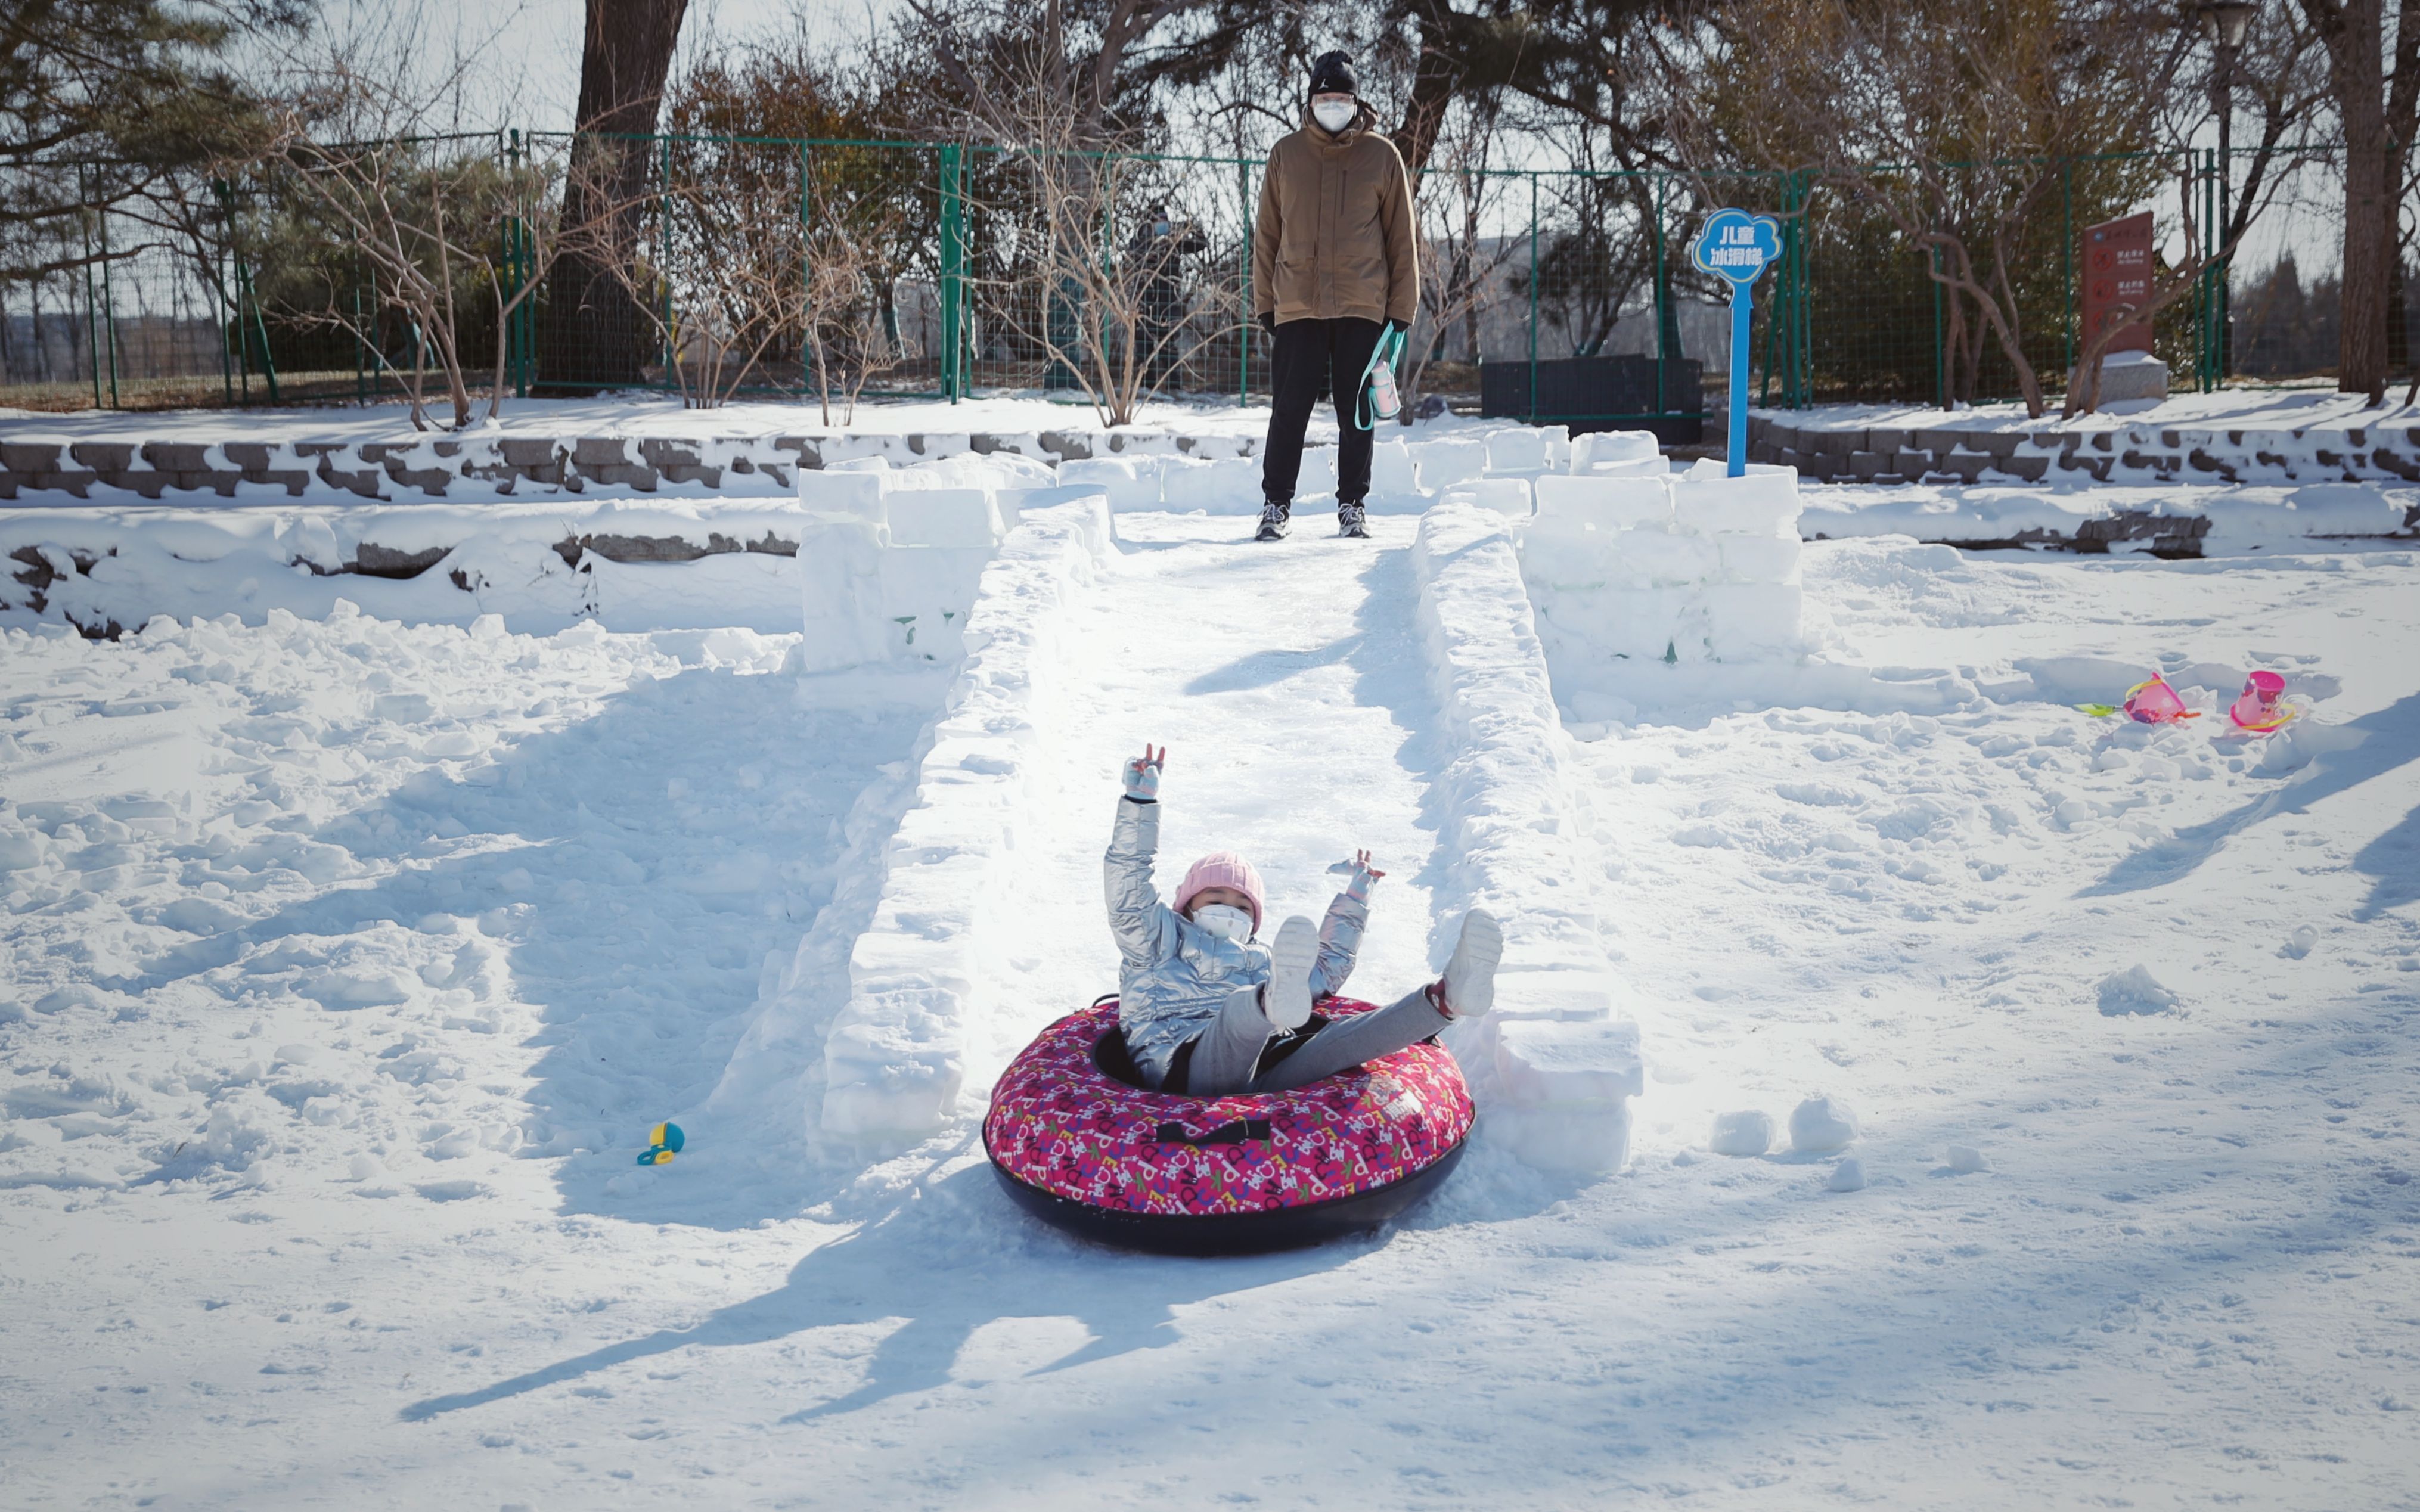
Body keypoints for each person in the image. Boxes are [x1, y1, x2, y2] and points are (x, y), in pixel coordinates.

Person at [1104, 744, 1501, 1096]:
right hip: (1185, 1069)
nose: (1230, 909)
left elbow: (1326, 967)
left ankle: (1447, 997)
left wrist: (1355, 900)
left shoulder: (1260, 960)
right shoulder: (1157, 939)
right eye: (1216, 897)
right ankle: (1267, 1006)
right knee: (1239, 1014)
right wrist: (1139, 805)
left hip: (1267, 1069)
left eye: (1243, 906)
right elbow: (1128, 886)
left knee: (1341, 1041)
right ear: (1188, 904)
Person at [1251, 49, 1420, 543]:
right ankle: (1275, 505)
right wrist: (1267, 303)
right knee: (1289, 410)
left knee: (1357, 411)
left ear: (1355, 101)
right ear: (1310, 100)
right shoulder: (1285, 154)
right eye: (1324, 98)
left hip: (1362, 305)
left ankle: (1353, 505)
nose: (1333, 105)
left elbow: (1401, 241)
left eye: (1341, 98)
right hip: (1297, 305)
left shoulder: (1382, 156)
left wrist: (1401, 312)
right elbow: (1266, 236)